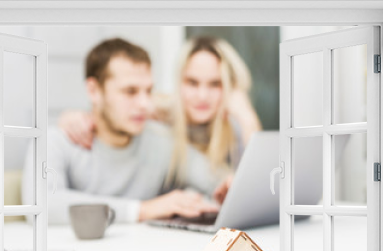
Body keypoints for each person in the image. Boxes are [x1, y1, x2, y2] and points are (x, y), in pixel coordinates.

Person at [22, 38, 231, 225]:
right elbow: (40, 205)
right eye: (130, 91)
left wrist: (221, 190)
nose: (145, 104)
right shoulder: (55, 141)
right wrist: (143, 210)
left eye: (148, 91)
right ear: (93, 91)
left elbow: (219, 184)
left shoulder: (160, 142)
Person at [58, 36, 262, 183]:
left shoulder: (236, 129)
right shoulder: (156, 112)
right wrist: (73, 117)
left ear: (229, 88)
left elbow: (259, 187)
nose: (202, 96)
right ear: (178, 83)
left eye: (215, 84)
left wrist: (247, 117)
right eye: (192, 82)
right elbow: (110, 110)